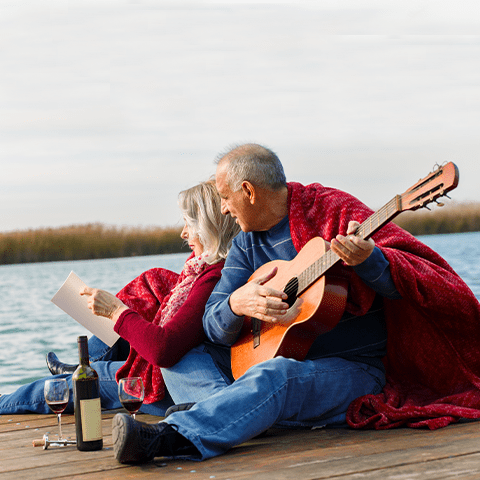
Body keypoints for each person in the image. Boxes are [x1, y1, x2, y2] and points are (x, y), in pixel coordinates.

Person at [112, 143, 480, 464]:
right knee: (180, 358)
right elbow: (212, 326)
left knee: (277, 376)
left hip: (355, 370)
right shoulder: (245, 245)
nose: (223, 210)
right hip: (268, 364)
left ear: (248, 191)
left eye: (225, 197)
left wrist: (369, 259)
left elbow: (409, 282)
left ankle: (174, 436)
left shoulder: (331, 210)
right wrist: (237, 304)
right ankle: (240, 412)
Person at [0, 179, 240, 415]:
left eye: (189, 223)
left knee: (70, 385)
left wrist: (116, 311)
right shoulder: (206, 269)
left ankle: (9, 402)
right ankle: (84, 366)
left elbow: (164, 349)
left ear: (210, 227)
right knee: (144, 297)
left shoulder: (214, 275)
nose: (183, 233)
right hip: (178, 373)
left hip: (170, 385)